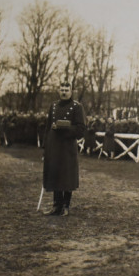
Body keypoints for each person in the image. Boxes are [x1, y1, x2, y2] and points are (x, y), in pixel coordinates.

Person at [42, 81, 86, 216]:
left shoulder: (77, 107)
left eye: (67, 89)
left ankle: (66, 206)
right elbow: (47, 127)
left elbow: (81, 129)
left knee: (67, 177)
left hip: (67, 147)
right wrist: (45, 147)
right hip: (54, 146)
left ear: (71, 91)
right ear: (58, 91)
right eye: (62, 89)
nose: (64, 92)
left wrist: (64, 128)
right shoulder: (53, 106)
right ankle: (56, 205)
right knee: (55, 174)